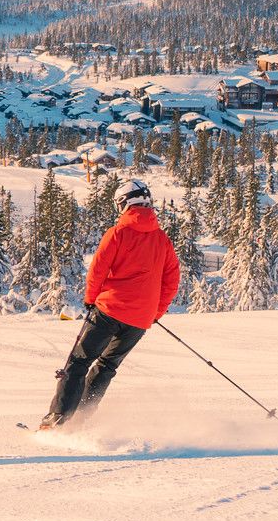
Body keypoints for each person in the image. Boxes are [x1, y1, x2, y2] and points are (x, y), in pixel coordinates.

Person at [39, 178, 180, 431]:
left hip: (109, 310)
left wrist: (91, 299)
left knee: (79, 362)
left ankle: (59, 417)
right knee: (106, 367)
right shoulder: (163, 240)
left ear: (125, 203)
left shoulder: (118, 233)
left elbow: (98, 269)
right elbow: (172, 280)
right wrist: (154, 312)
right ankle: (81, 419)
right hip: (139, 320)